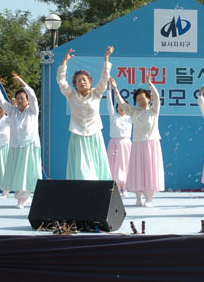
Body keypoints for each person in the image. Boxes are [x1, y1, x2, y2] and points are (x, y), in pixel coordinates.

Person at [57, 47, 114, 180]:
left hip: (94, 134)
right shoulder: (71, 95)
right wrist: (64, 62)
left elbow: (104, 78)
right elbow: (61, 82)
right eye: (79, 80)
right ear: (75, 85)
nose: (82, 82)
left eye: (84, 80)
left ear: (90, 82)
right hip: (78, 135)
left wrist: (106, 58)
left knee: (96, 165)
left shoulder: (96, 93)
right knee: (81, 167)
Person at [110, 72, 164, 207]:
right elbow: (122, 103)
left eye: (143, 98)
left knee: (150, 170)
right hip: (137, 144)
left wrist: (150, 84)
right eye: (138, 99)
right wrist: (116, 89)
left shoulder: (154, 111)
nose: (140, 101)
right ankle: (138, 197)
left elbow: (157, 97)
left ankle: (149, 198)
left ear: (148, 99)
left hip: (152, 144)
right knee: (137, 170)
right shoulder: (133, 112)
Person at [0, 72, 42, 208]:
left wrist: (22, 82)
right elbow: (2, 103)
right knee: (17, 173)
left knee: (26, 172)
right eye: (18, 98)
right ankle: (21, 197)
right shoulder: (13, 111)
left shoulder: (32, 110)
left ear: (27, 100)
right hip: (16, 146)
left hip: (30, 145)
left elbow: (32, 95)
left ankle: (23, 198)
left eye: (23, 98)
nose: (20, 100)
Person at [106, 79, 132, 197]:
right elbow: (109, 103)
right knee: (114, 166)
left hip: (126, 144)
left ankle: (125, 188)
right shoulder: (113, 116)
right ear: (116, 107)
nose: (121, 108)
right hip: (114, 144)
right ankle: (115, 188)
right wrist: (108, 89)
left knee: (126, 165)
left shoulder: (130, 117)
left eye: (123, 106)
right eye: (119, 106)